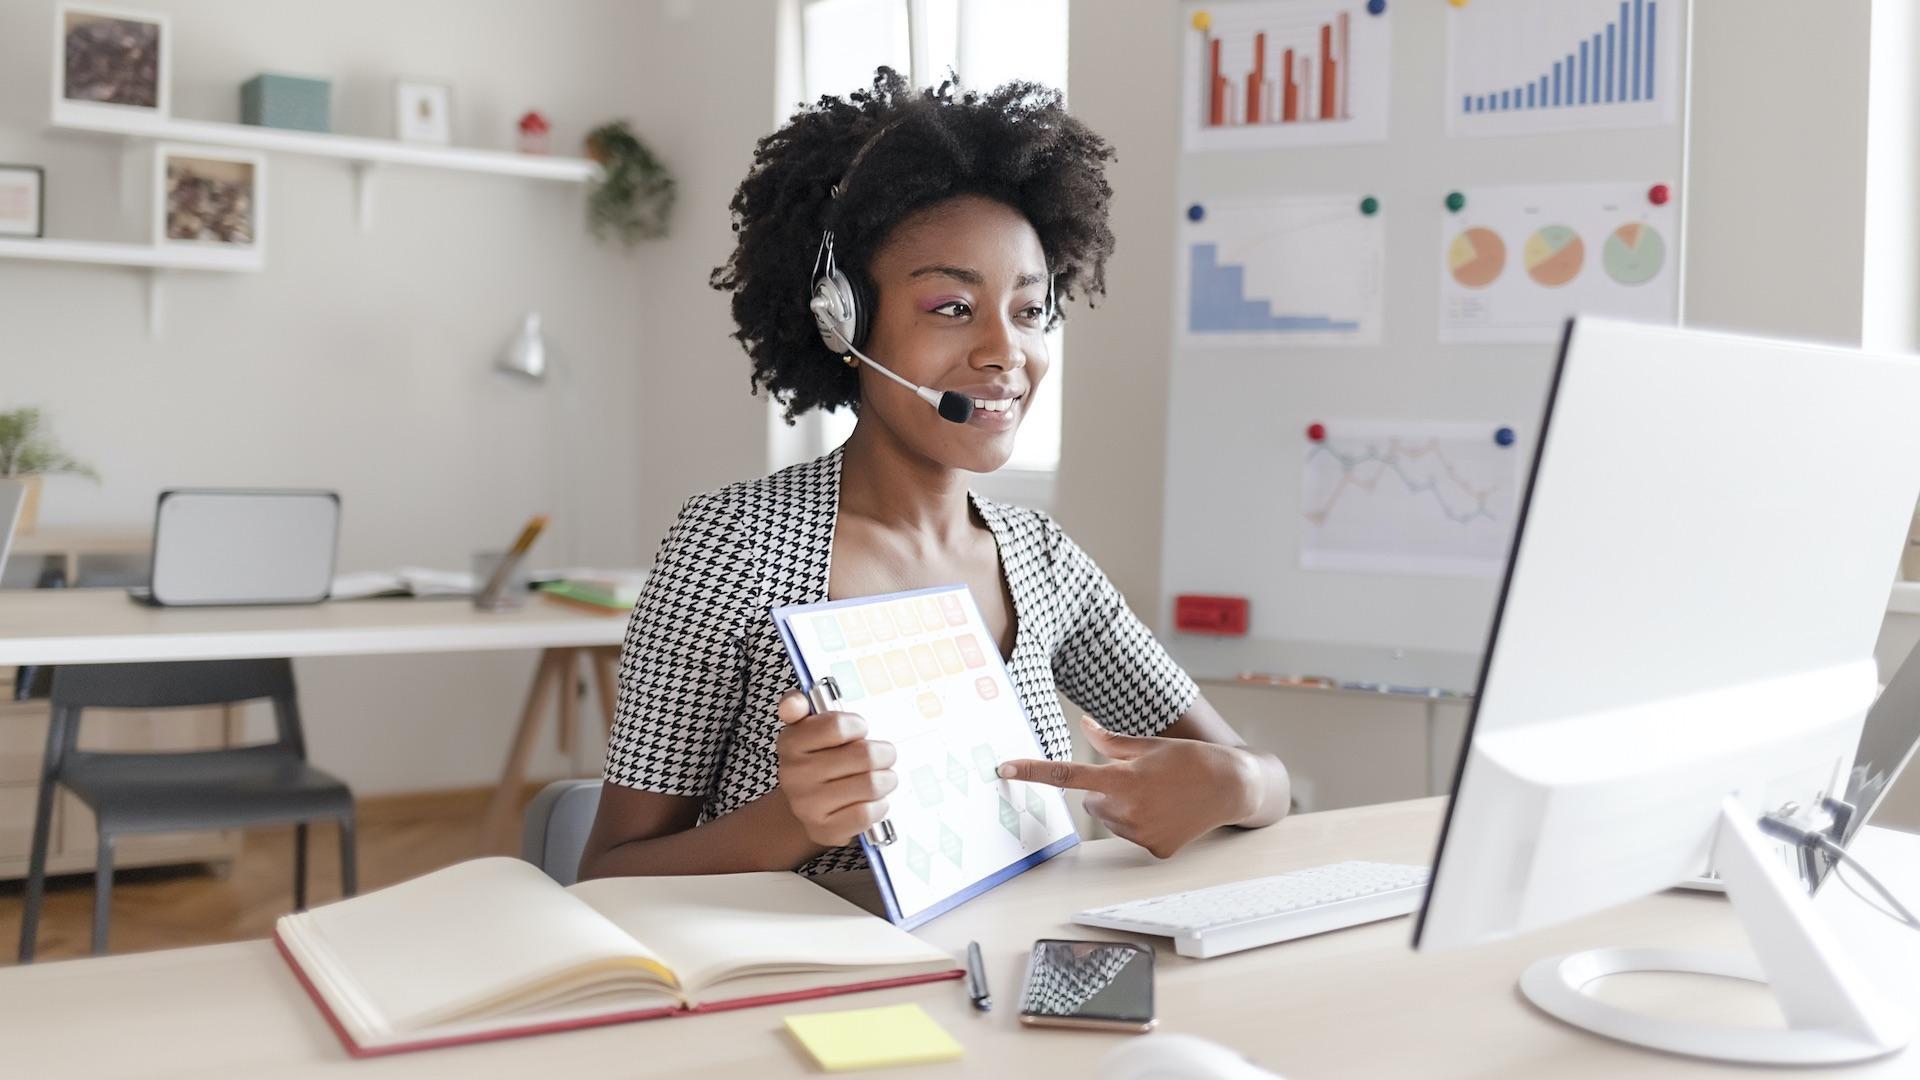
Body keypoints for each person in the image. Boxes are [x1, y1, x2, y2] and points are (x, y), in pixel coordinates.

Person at [578, 69, 1290, 882]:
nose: (1004, 351)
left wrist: (1234, 783)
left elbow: (1258, 780)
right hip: (810, 996)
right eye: (952, 307)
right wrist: (794, 821)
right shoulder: (732, 551)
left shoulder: (1041, 560)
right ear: (842, 320)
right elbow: (604, 875)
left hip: (1008, 983)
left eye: (1028, 311)